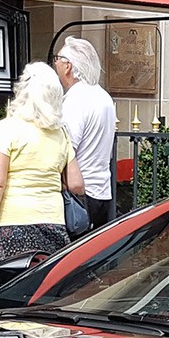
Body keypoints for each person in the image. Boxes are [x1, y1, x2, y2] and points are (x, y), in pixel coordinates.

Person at [0, 61, 85, 277]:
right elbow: (76, 184)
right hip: (53, 222)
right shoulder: (60, 134)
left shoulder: (7, 128)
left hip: (12, 224)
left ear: (21, 92)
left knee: (12, 289)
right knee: (48, 288)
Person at [53, 35, 117, 228]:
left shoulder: (75, 100)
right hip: (102, 191)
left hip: (79, 194)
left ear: (68, 66)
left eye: (57, 59)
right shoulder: (103, 96)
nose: (55, 64)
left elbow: (65, 150)